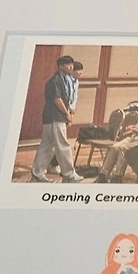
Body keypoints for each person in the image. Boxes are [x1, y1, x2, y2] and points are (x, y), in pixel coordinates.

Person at [29, 54, 90, 183]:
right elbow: (57, 100)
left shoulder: (64, 79)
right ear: (61, 66)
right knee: (63, 146)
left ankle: (37, 174)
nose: (71, 66)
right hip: (54, 117)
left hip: (55, 117)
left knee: (47, 147)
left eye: (72, 64)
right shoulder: (55, 81)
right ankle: (69, 174)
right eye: (68, 64)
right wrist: (67, 114)